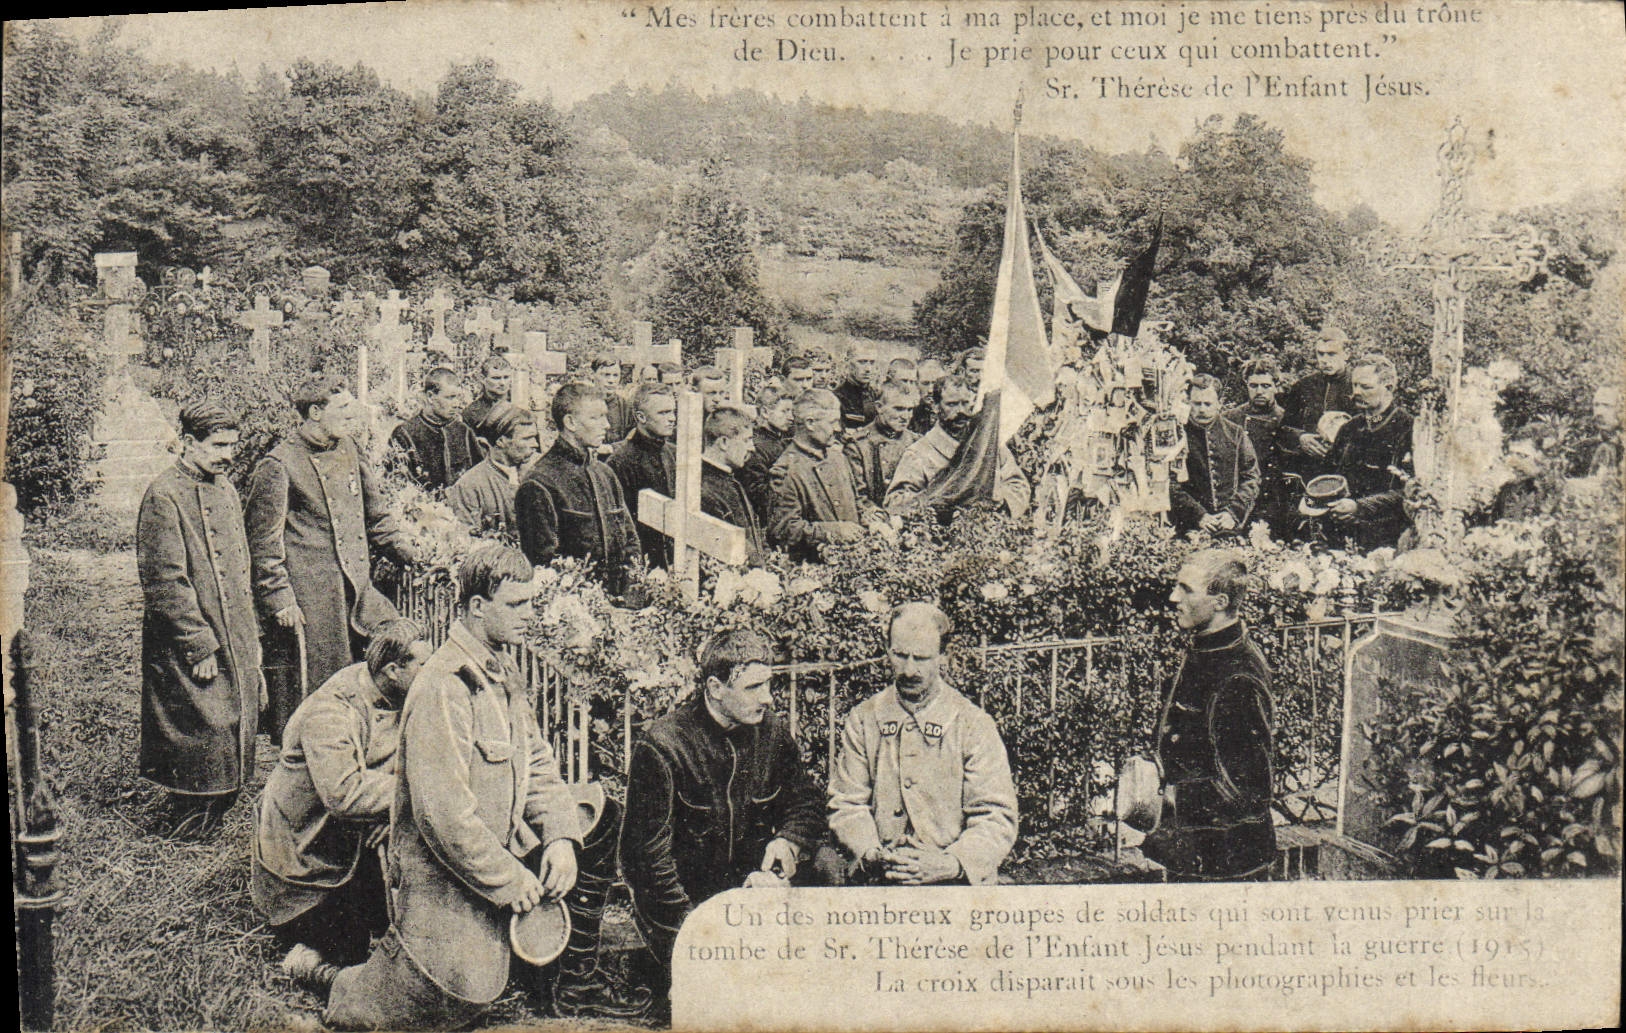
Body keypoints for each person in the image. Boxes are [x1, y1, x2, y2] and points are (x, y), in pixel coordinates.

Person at [297, 545, 648, 1027]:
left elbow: (538, 762)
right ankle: (324, 975)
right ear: (478, 607)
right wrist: (511, 881)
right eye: (517, 605)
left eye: (531, 603)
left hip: (491, 857)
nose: (530, 616)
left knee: (595, 810)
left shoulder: (499, 668)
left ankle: (570, 984)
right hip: (444, 882)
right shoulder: (444, 684)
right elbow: (443, 816)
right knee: (430, 1004)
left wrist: (562, 837)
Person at [619, 628, 823, 1008]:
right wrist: (698, 935)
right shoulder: (664, 746)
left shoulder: (772, 733)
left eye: (769, 685)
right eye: (753, 687)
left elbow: (807, 802)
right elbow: (647, 865)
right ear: (715, 687)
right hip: (684, 912)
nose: (767, 698)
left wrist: (788, 843)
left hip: (754, 896)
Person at [246, 376, 416, 743]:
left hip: (358, 588)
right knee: (320, 686)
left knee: (395, 651)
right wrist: (279, 598)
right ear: (315, 413)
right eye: (342, 408)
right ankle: (311, 756)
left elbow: (377, 514)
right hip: (313, 598)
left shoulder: (350, 448)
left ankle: (369, 744)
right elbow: (263, 544)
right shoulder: (278, 464)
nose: (352, 414)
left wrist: (406, 551)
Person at [252, 619, 430, 965]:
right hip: (304, 861)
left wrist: (391, 814)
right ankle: (307, 966)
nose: (432, 673)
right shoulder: (333, 710)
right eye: (423, 665)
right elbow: (344, 793)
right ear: (393, 670)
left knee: (413, 922)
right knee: (350, 946)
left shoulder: (402, 693)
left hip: (348, 842)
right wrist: (406, 799)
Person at [136, 401, 264, 823]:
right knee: (199, 728)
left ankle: (218, 808)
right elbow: (165, 581)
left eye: (232, 444)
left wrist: (250, 634)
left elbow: (241, 564)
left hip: (235, 630)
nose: (228, 454)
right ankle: (187, 820)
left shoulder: (225, 488)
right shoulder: (163, 494)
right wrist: (198, 645)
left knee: (233, 722)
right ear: (189, 443)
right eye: (217, 445)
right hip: (190, 638)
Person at [828, 603, 1017, 885]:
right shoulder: (864, 719)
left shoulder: (973, 724)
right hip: (880, 881)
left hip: (953, 885)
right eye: (900, 655)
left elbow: (996, 816)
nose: (909, 670)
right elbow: (846, 803)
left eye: (922, 658)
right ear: (887, 650)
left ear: (944, 656)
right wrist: (870, 852)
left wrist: (952, 863)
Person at [1142, 549, 1275, 882]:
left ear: (1220, 602)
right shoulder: (1208, 650)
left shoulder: (1237, 674)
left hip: (1228, 862)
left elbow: (1251, 790)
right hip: (1198, 850)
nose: (1173, 598)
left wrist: (1168, 796)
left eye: (1186, 589)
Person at [515, 382, 639, 595]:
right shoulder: (539, 483)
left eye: (606, 416)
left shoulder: (605, 474)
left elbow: (630, 541)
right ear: (570, 422)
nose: (607, 425)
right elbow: (544, 567)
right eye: (596, 417)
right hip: (574, 611)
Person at [885, 375, 1030, 518]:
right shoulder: (918, 454)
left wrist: (1000, 498)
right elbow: (895, 503)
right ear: (935, 406)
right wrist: (937, 500)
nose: (961, 411)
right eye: (952, 404)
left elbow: (1019, 486)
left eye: (965, 403)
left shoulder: (989, 445)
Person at [766, 389, 877, 563]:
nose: (838, 428)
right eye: (833, 421)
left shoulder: (838, 457)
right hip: (816, 570)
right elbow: (784, 530)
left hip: (856, 561)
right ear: (810, 423)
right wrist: (833, 531)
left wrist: (871, 519)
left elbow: (857, 503)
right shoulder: (786, 471)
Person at [1325, 354, 1414, 551]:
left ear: (1388, 388)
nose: (1356, 392)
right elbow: (1331, 475)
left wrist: (1359, 507)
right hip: (1342, 535)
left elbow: (1409, 492)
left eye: (1365, 387)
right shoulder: (1349, 428)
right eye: (1354, 385)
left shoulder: (1409, 429)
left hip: (1387, 538)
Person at [1171, 374, 1261, 538]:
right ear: (1187, 402)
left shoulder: (1235, 433)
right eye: (1196, 404)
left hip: (1230, 527)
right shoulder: (1176, 434)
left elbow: (1251, 477)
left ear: (1219, 403)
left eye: (1208, 404)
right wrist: (1199, 515)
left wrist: (1232, 513)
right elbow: (1169, 483)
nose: (1202, 409)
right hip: (1188, 527)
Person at [606, 383, 677, 570]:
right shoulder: (621, 462)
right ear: (641, 417)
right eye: (663, 413)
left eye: (673, 412)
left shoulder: (674, 454)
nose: (671, 419)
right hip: (643, 561)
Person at [448, 404, 539, 537]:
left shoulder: (538, 474)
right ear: (501, 441)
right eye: (527, 438)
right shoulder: (469, 486)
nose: (535, 444)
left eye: (534, 437)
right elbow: (466, 541)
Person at [1278, 327, 1355, 479]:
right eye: (1321, 354)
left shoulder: (1359, 386)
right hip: (1309, 470)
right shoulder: (1303, 386)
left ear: (1346, 354)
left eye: (1332, 354)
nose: (1325, 360)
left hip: (1348, 470)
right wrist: (1301, 438)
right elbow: (1284, 429)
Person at [1225, 357, 1290, 536]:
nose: (1259, 391)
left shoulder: (1287, 419)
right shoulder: (1230, 418)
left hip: (1274, 503)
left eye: (1266, 386)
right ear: (1246, 385)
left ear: (1276, 386)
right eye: (1253, 385)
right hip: (1240, 501)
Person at [388, 368, 481, 491]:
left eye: (458, 397)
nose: (457, 404)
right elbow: (396, 484)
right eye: (450, 397)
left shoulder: (464, 432)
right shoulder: (405, 434)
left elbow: (479, 477)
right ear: (431, 397)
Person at [698, 405, 768, 564]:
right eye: (746, 440)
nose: (752, 448)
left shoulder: (730, 480)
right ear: (723, 442)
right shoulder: (705, 489)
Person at [847, 382, 921, 507]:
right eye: (898, 409)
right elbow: (859, 497)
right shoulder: (858, 445)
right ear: (879, 407)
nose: (905, 416)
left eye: (910, 409)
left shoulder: (917, 442)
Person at [463, 353, 514, 441]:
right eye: (496, 378)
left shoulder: (517, 408)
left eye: (506, 377)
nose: (502, 383)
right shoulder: (472, 413)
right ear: (483, 379)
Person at [590, 353, 634, 444]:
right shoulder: (582, 403)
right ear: (593, 375)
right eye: (606, 375)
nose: (611, 380)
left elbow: (633, 435)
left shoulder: (626, 406)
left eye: (615, 375)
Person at [835, 348, 880, 431]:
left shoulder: (878, 396)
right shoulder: (836, 398)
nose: (868, 369)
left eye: (872, 363)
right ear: (848, 364)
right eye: (862, 362)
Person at [910, 358, 947, 434]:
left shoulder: (952, 414)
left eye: (935, 383)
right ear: (917, 384)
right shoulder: (910, 415)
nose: (930, 390)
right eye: (925, 384)